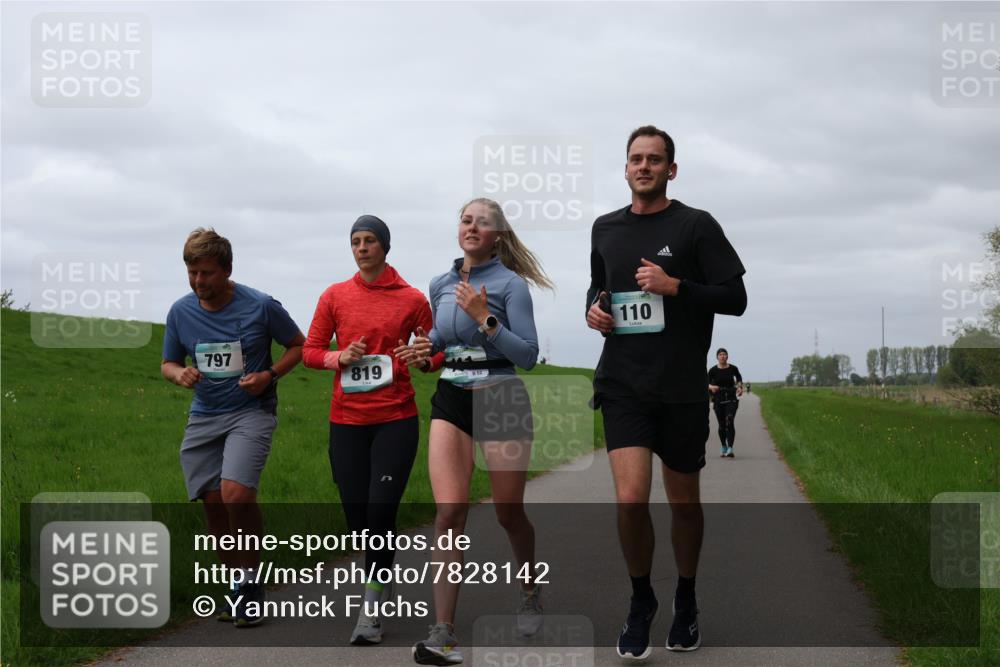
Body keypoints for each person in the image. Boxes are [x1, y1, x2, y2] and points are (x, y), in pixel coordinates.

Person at [585, 126, 746, 658]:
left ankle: (687, 597)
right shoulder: (605, 228)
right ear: (625, 168)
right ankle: (640, 600)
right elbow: (598, 287)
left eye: (655, 159)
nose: (645, 166)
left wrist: (677, 286)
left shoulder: (696, 225)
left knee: (684, 504)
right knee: (631, 500)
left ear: (671, 169)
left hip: (679, 388)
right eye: (636, 159)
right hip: (623, 384)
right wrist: (595, 311)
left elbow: (736, 297)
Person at [409, 198, 554, 666]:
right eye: (466, 219)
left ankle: (529, 591)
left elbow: (528, 355)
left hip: (501, 396)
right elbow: (440, 339)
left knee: (508, 513)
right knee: (449, 512)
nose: (472, 227)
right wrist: (422, 349)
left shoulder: (511, 286)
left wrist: (483, 317)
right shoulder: (440, 283)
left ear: (497, 235)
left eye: (483, 222)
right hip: (451, 398)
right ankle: (443, 632)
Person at [302, 215, 439, 645]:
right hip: (346, 422)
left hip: (395, 419)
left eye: (370, 241)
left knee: (381, 512)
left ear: (385, 247)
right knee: (358, 519)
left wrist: (423, 357)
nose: (362, 248)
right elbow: (310, 351)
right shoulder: (335, 296)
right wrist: (337, 358)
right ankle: (379, 575)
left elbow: (435, 352)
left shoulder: (412, 298)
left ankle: (372, 607)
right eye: (356, 242)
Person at [161, 228, 304, 627]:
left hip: (251, 410)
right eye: (192, 272)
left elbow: (298, 344)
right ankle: (238, 584)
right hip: (204, 414)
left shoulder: (260, 305)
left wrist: (269, 375)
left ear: (227, 270)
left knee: (236, 494)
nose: (198, 282)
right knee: (212, 503)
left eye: (206, 273)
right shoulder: (180, 311)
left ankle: (253, 586)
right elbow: (168, 362)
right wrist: (179, 375)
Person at [708, 348, 743, 458]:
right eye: (720, 354)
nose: (722, 356)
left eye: (724, 354)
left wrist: (739, 387)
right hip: (718, 398)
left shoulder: (733, 368)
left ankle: (730, 448)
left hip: (731, 397)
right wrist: (711, 387)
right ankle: (723, 445)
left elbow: (739, 378)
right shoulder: (713, 370)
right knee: (722, 425)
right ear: (717, 357)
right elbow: (706, 383)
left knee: (729, 421)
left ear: (727, 356)